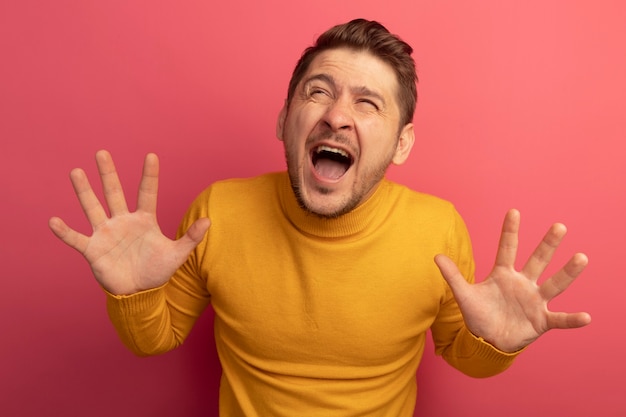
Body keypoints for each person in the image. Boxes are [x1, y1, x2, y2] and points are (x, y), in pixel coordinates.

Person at [49, 19, 591, 416]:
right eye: (319, 92)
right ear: (286, 120)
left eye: (367, 104)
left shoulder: (437, 229)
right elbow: (154, 338)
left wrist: (498, 344)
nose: (336, 116)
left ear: (402, 144)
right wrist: (134, 293)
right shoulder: (217, 212)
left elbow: (466, 356)